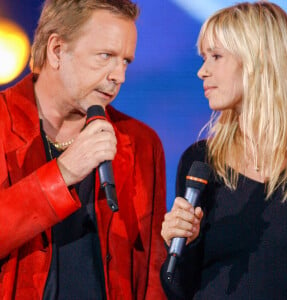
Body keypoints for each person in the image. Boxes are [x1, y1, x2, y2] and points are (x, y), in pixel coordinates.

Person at [0, 0, 167, 299]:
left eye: (125, 61)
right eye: (106, 56)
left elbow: (150, 276)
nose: (119, 76)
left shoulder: (141, 143)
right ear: (57, 50)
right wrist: (63, 174)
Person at [160, 1, 287, 299]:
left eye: (216, 56)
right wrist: (183, 243)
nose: (201, 72)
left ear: (258, 59)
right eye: (203, 57)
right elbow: (178, 288)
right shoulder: (200, 162)